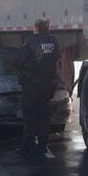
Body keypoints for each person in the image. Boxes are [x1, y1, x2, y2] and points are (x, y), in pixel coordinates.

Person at [12, 18, 60, 155]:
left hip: (32, 85)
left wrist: (25, 69)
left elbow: (16, 60)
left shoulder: (31, 41)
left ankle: (27, 146)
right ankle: (43, 145)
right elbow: (57, 58)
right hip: (47, 85)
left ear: (36, 28)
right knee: (44, 116)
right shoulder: (53, 41)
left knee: (30, 117)